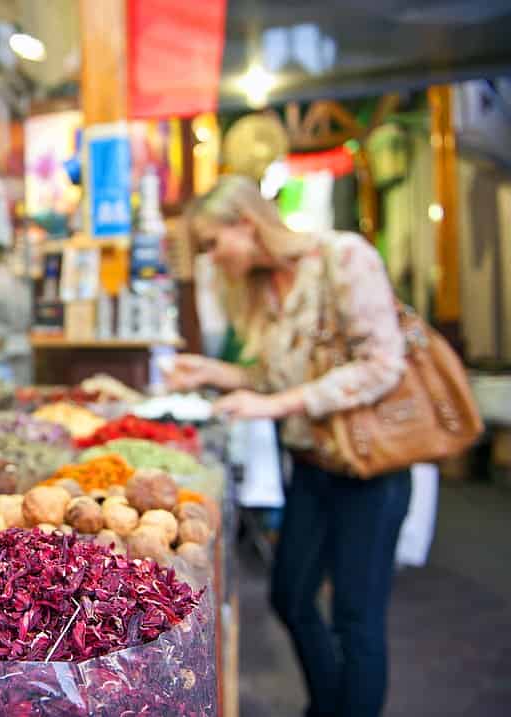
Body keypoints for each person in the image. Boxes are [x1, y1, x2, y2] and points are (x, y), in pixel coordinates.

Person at [165, 175, 411, 717]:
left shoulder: (343, 257)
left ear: (247, 224)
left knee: (356, 617)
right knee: (292, 596)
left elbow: (383, 365)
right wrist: (213, 371)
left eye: (212, 243)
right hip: (313, 467)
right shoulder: (264, 289)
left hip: (370, 467)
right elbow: (275, 377)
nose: (209, 258)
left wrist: (278, 405)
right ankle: (329, 705)